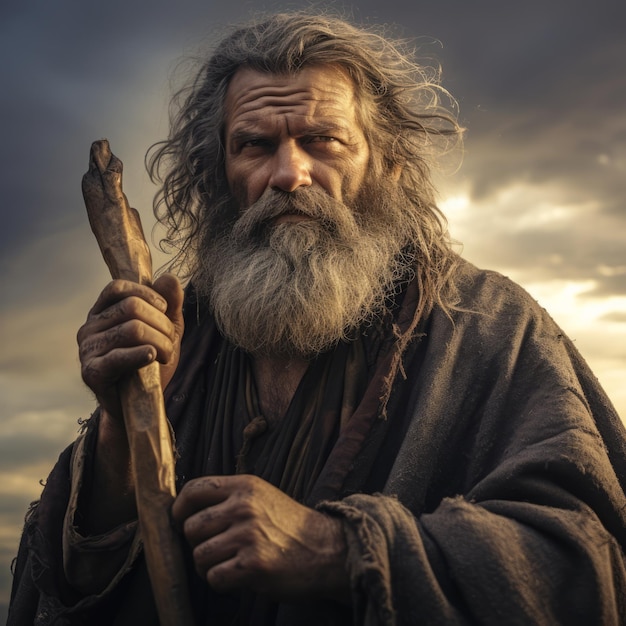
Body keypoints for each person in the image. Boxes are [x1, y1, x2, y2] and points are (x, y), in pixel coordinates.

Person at [8, 11, 626, 626]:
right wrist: (121, 426)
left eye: (322, 140)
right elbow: (68, 579)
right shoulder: (179, 336)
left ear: (388, 165)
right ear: (220, 176)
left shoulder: (491, 330)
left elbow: (584, 563)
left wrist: (336, 551)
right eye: (254, 145)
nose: (287, 174)